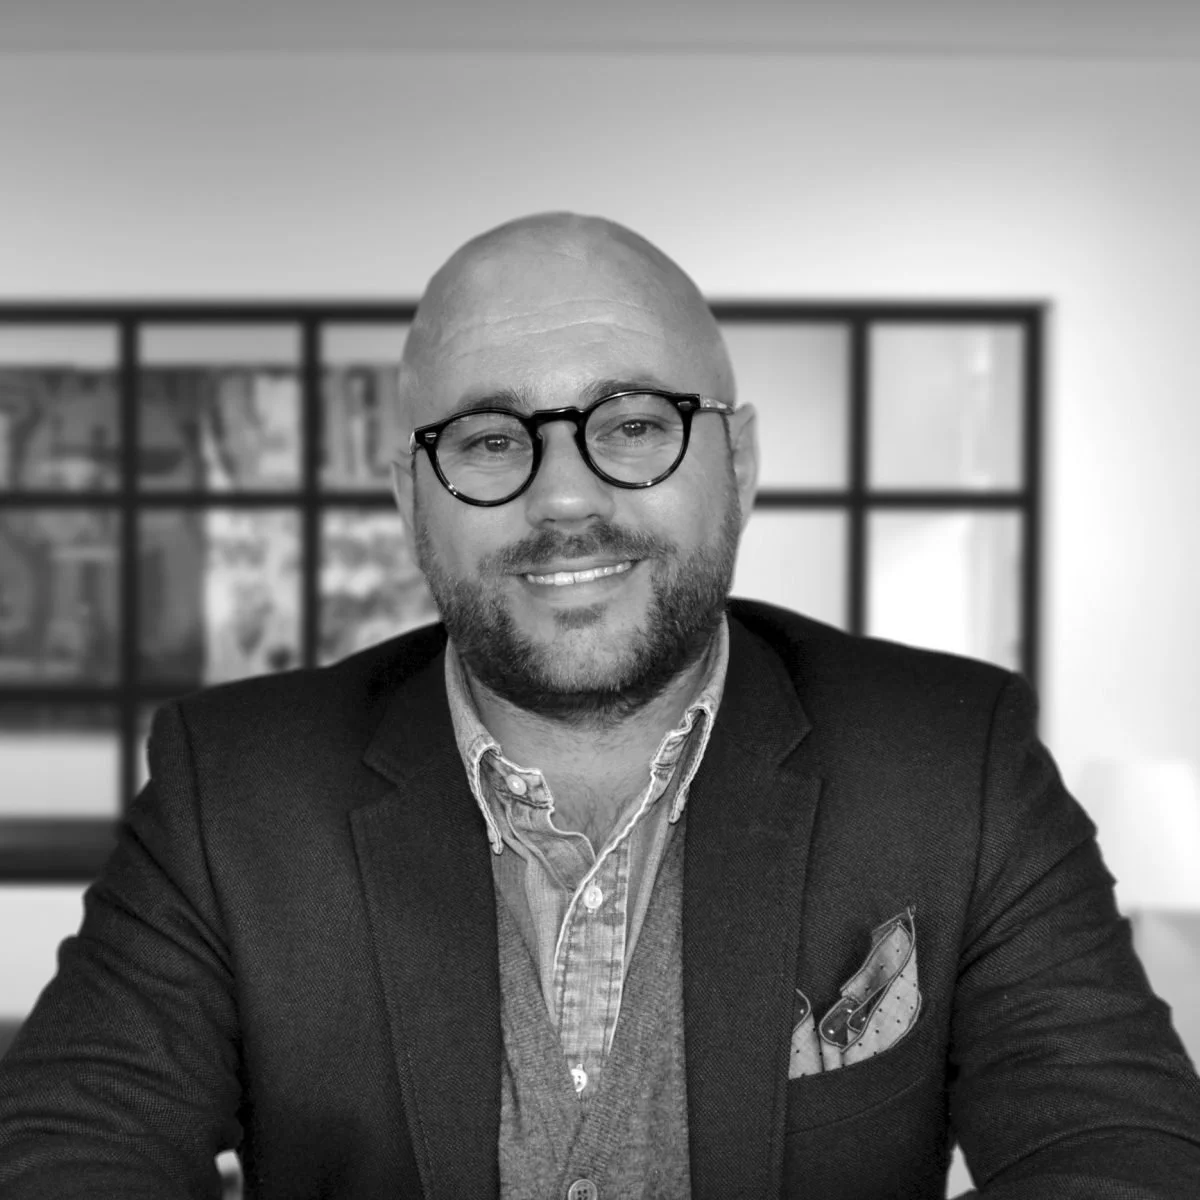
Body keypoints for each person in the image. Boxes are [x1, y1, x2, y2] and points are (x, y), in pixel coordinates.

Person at [1, 213, 1199, 1200]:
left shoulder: (953, 759)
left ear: (739, 461)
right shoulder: (236, 787)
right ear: (412, 499)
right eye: (486, 440)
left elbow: (1121, 1155)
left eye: (634, 425)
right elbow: (68, 1151)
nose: (565, 498)